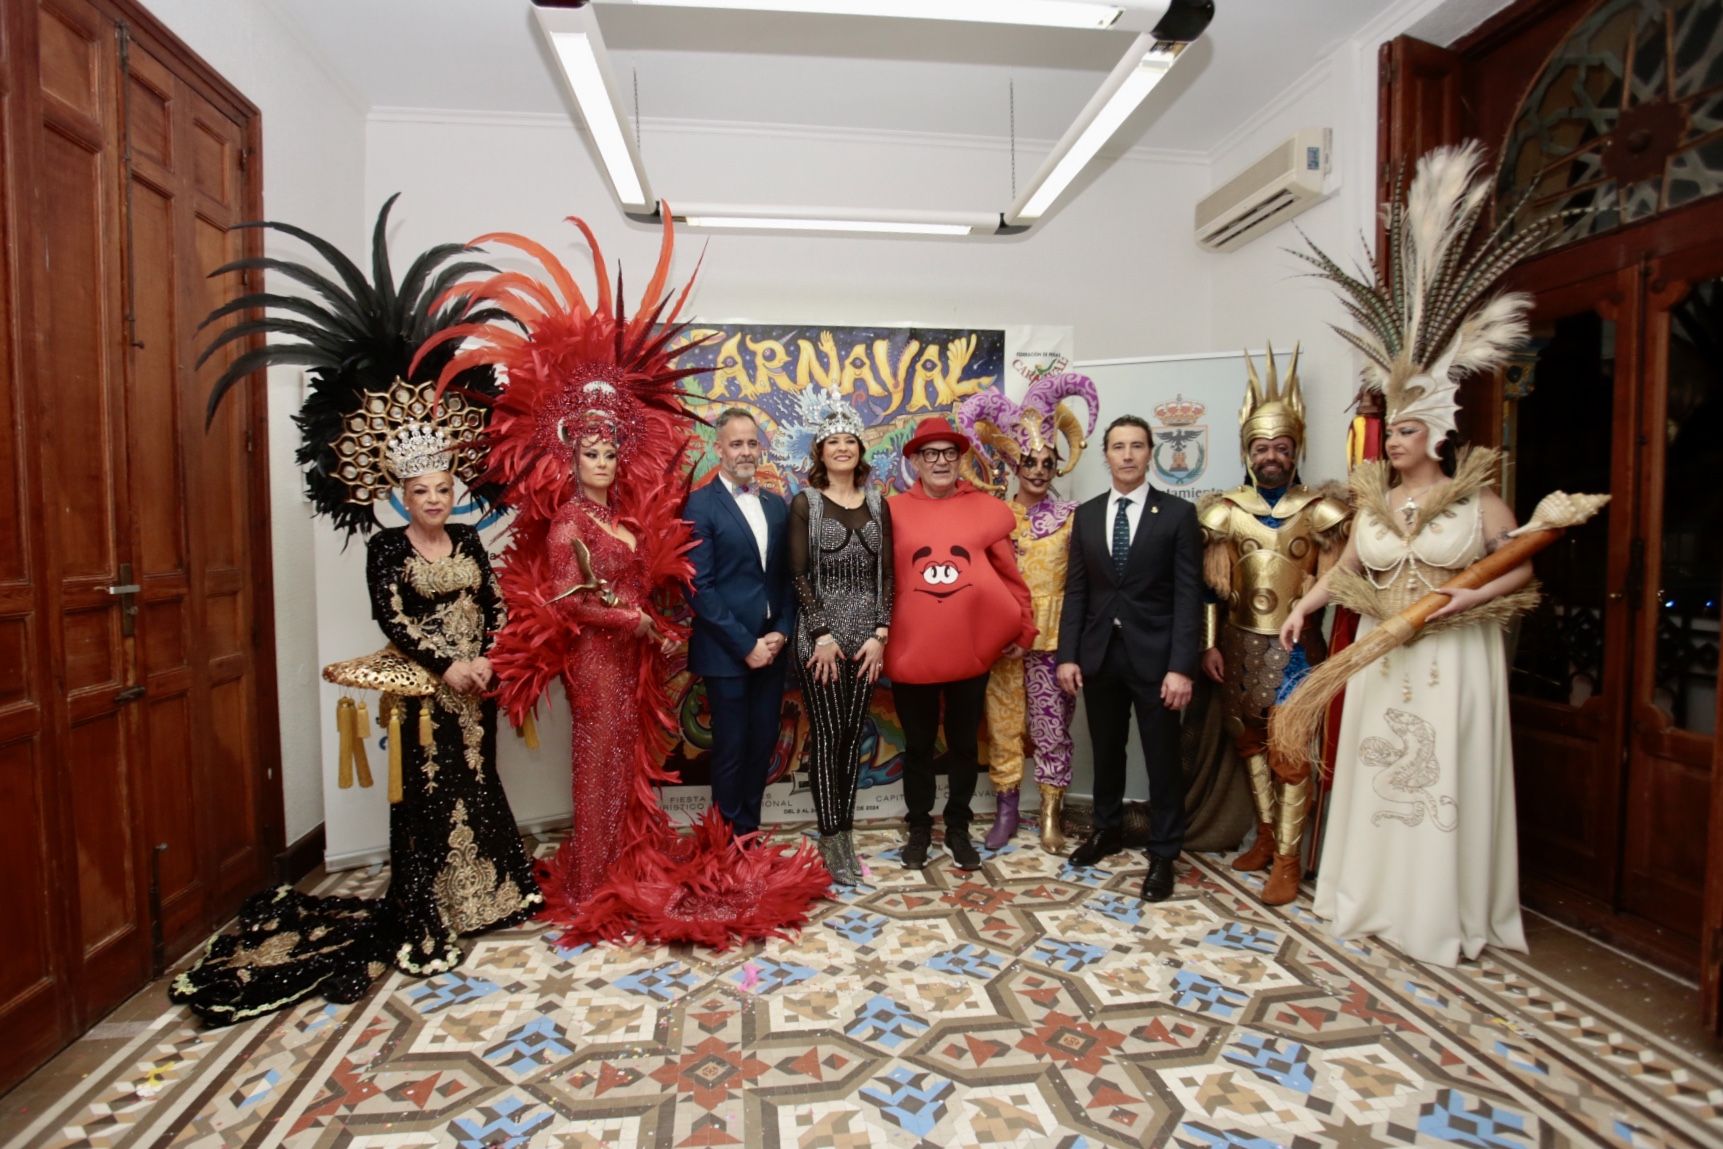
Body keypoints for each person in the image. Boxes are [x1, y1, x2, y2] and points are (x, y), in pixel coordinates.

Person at [434, 216, 827, 949]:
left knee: (634, 762)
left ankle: (634, 858)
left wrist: (759, 631)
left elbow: (716, 578)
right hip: (603, 661)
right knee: (604, 758)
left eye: (611, 450)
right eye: (591, 451)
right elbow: (573, 599)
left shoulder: (714, 509)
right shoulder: (569, 526)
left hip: (645, 663)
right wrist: (644, 624)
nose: (605, 460)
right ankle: (592, 878)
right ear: (571, 456)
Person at [1281, 140, 1552, 965]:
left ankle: (1439, 911)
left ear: (1433, 431)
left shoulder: (1476, 498)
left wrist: (1462, 602)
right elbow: (1350, 567)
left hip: (1450, 653)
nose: (1391, 440)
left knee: (1439, 784)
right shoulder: (1371, 499)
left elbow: (1521, 564)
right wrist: (1305, 602)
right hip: (1376, 651)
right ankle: (1365, 897)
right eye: (1387, 426)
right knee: (1371, 770)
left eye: (1403, 428)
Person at [171, 425, 541, 1024]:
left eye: (443, 490)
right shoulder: (386, 549)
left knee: (477, 781)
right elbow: (391, 618)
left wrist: (489, 658)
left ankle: (487, 897)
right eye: (422, 492)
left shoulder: (470, 540)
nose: (434, 501)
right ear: (403, 495)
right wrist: (447, 666)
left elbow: (496, 603)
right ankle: (434, 905)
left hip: (479, 687)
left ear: (454, 493)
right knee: (429, 793)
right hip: (424, 695)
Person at [1197, 346, 1350, 904]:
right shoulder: (1223, 510)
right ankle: (1265, 834)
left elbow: (1336, 585)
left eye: (1281, 448)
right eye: (1261, 448)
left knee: (1289, 753)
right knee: (1249, 744)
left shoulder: (1322, 511)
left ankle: (1288, 859)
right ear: (1248, 452)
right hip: (1236, 646)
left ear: (1295, 451)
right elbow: (1213, 588)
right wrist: (1209, 645)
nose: (1271, 456)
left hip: (1296, 648)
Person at [1057, 415, 1203, 902]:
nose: (1126, 455)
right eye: (1117, 446)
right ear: (1105, 455)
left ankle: (1164, 852)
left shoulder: (1178, 516)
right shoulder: (1089, 514)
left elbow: (1189, 598)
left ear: (1150, 453)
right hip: (1100, 656)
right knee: (1106, 750)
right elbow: (1076, 591)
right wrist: (1068, 655)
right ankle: (1107, 829)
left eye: (1136, 446)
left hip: (1159, 659)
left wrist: (1182, 666)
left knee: (1162, 760)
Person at [886, 416, 1037, 871]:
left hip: (970, 649)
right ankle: (918, 828)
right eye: (930, 454)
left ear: (960, 459)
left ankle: (957, 826)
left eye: (949, 453)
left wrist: (1024, 628)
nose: (940, 462)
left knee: (965, 746)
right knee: (917, 746)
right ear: (914, 461)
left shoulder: (983, 509)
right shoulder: (889, 510)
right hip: (912, 649)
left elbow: (1010, 574)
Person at [956, 372, 1098, 853]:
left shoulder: (1074, 517)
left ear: (1057, 465)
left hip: (1053, 643)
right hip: (1002, 642)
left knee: (1051, 730)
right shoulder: (992, 515)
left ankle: (1051, 817)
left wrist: (1073, 648)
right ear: (1013, 464)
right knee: (1003, 727)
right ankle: (1007, 811)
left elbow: (1081, 588)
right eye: (1028, 462)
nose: (1037, 470)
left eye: (1047, 462)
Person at [788, 404, 893, 885]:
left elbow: (887, 575)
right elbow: (798, 574)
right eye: (834, 442)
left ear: (860, 450)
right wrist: (821, 634)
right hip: (821, 641)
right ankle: (831, 842)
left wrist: (881, 635)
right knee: (829, 739)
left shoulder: (878, 504)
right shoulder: (806, 503)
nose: (843, 448)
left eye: (850, 440)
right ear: (821, 453)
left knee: (854, 740)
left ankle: (846, 835)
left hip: (865, 643)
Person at [685, 408, 796, 835]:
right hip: (727, 653)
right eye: (736, 443)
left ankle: (747, 835)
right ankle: (723, 844)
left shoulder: (774, 504)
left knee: (762, 744)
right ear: (719, 449)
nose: (746, 451)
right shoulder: (700, 504)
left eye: (752, 442)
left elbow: (786, 578)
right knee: (730, 749)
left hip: (771, 649)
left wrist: (780, 633)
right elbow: (699, 588)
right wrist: (745, 644)